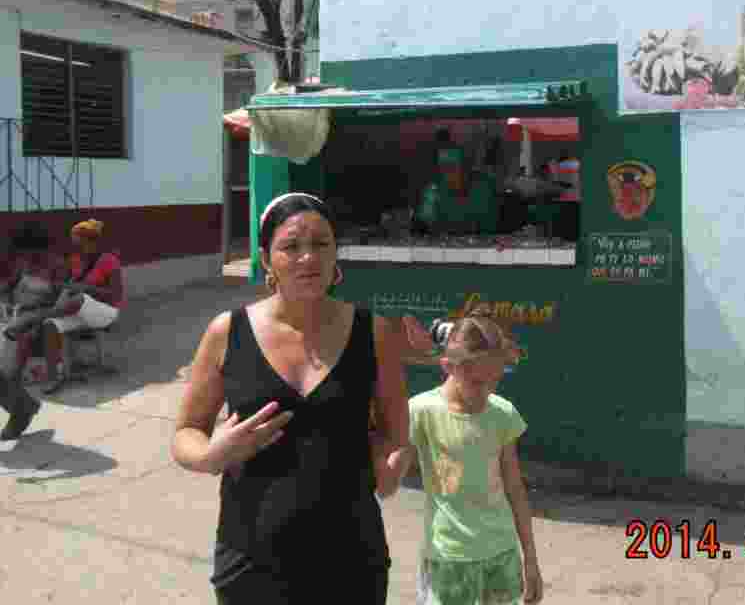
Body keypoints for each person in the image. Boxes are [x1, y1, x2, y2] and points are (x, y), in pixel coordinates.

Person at [171, 192, 424, 604]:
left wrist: (392, 462)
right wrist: (210, 455)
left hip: (351, 562)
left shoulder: (374, 332)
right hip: (251, 560)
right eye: (291, 246)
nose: (308, 257)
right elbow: (187, 431)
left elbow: (394, 434)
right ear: (267, 259)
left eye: (321, 244)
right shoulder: (227, 332)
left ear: (336, 253)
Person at [377, 310, 544, 605]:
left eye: (495, 382)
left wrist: (530, 560)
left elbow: (515, 489)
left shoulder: (502, 413)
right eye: (478, 382)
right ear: (448, 367)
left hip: (502, 557)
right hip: (447, 561)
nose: (487, 392)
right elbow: (387, 483)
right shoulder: (421, 411)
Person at [39, 219, 124, 394]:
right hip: (80, 310)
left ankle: (36, 317)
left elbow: (116, 295)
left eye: (78, 242)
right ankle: (53, 377)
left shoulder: (109, 260)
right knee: (50, 325)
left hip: (106, 311)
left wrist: (86, 289)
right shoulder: (77, 261)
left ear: (90, 241)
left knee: (80, 298)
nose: (74, 246)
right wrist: (65, 286)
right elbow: (73, 286)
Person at [0, 223, 63, 438]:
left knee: (6, 369)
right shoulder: (23, 265)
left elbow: (59, 304)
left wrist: (29, 315)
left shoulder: (56, 267)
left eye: (27, 252)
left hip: (37, 320)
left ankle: (22, 406)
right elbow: (9, 287)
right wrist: (6, 300)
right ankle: (22, 405)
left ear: (40, 249)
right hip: (16, 317)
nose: (24, 257)